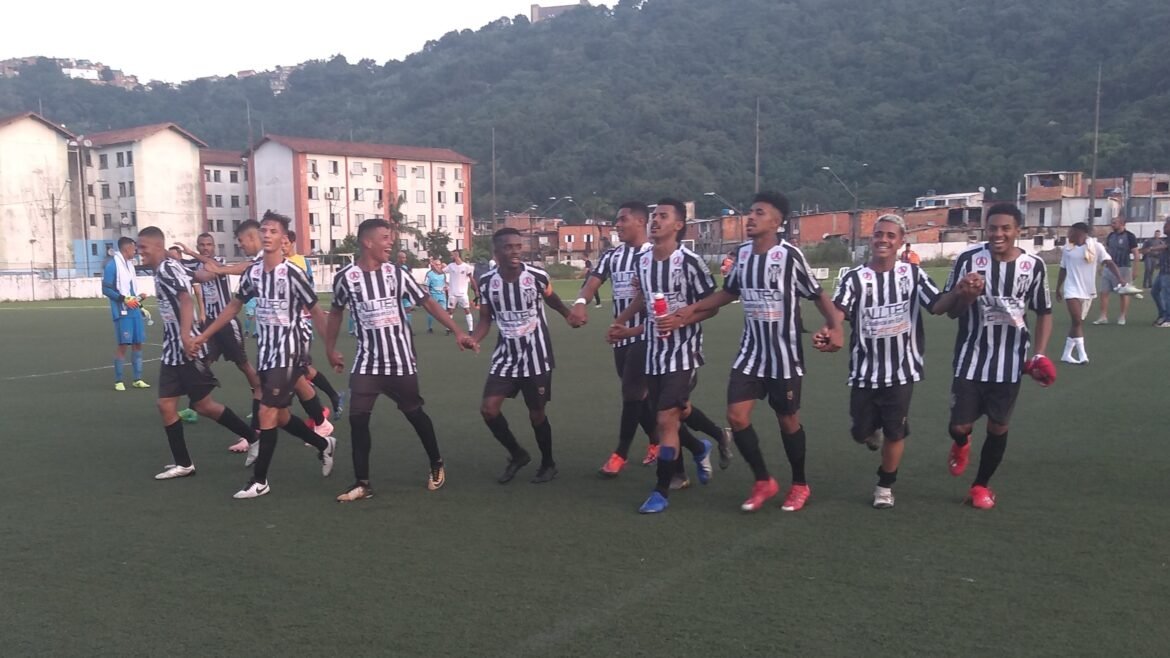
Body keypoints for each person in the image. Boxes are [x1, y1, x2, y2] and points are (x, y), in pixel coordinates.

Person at [674, 192, 844, 513]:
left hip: (784, 355)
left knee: (788, 421)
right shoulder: (742, 254)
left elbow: (818, 294)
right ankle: (763, 480)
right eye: (750, 211)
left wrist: (835, 327)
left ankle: (800, 484)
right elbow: (729, 292)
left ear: (777, 222)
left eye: (760, 212)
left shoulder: (789, 255)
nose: (751, 217)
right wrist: (691, 309)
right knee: (736, 416)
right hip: (751, 353)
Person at [832, 215, 980, 508]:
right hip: (864, 370)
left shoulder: (912, 274)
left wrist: (960, 292)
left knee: (895, 431)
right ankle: (869, 432)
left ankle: (885, 486)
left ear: (901, 242)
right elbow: (838, 311)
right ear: (871, 239)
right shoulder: (854, 278)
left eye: (890, 235)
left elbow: (937, 306)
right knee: (860, 432)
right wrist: (831, 329)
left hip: (902, 370)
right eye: (879, 234)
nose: (883, 239)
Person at [326, 219, 477, 501]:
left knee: (414, 413)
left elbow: (427, 302)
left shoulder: (396, 274)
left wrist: (457, 331)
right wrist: (330, 349)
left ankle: (436, 462)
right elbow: (335, 313)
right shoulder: (346, 277)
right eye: (385, 237)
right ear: (367, 242)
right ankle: (362, 483)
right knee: (357, 419)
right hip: (367, 362)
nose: (391, 242)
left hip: (400, 361)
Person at [190, 211, 338, 499]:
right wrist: (204, 336)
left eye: (273, 231)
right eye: (264, 230)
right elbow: (233, 307)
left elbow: (316, 311)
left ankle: (260, 480)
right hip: (267, 354)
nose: (267, 235)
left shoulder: (293, 274)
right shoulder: (254, 273)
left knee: (266, 413)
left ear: (283, 239)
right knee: (280, 417)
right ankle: (324, 445)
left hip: (290, 353)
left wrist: (330, 348)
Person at [609, 198, 722, 514]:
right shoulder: (643, 261)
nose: (655, 221)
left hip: (683, 353)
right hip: (653, 352)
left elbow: (711, 306)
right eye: (654, 215)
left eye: (663, 216)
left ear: (678, 225)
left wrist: (682, 319)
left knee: (664, 420)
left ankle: (661, 490)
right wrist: (622, 324)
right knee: (669, 417)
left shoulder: (690, 262)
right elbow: (645, 302)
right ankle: (702, 446)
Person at [943, 203, 1053, 510]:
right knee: (959, 427)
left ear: (1018, 230)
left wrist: (1039, 354)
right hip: (971, 357)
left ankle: (980, 486)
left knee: (998, 426)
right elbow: (951, 312)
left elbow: (1044, 312)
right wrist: (965, 295)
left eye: (1006, 228)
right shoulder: (968, 260)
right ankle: (962, 443)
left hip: (1011, 362)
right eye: (992, 228)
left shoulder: (1033, 265)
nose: (998, 234)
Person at [135, 226, 255, 481]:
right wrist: (212, 269)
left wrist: (185, 335)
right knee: (167, 405)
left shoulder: (167, 269)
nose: (139, 252)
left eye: (143, 247)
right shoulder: (171, 266)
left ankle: (254, 438)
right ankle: (184, 463)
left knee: (204, 405)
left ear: (158, 246)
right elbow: (199, 276)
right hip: (172, 351)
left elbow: (186, 298)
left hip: (185, 350)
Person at [467, 228, 575, 484]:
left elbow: (552, 298)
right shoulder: (487, 282)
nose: (515, 251)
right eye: (508, 247)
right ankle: (517, 454)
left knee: (536, 414)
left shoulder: (536, 276)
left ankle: (548, 463)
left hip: (536, 356)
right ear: (496, 252)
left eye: (518, 246)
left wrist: (568, 315)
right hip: (505, 356)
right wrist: (474, 338)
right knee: (488, 410)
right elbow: (485, 319)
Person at [570, 202, 662, 475]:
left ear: (641, 221)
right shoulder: (613, 256)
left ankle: (620, 454)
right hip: (620, 335)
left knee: (632, 392)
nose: (617, 225)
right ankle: (665, 441)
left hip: (646, 333)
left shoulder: (655, 254)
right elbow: (593, 281)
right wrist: (580, 303)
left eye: (623, 220)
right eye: (617, 220)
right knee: (639, 397)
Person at [181, 232, 263, 453]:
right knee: (202, 361)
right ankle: (195, 406)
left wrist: (191, 254)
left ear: (214, 247)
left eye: (209, 244)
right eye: (202, 245)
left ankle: (259, 397)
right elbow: (190, 273)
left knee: (243, 364)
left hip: (227, 324)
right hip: (210, 324)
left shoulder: (219, 263)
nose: (205, 248)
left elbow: (209, 272)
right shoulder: (198, 265)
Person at [285, 230, 344, 416]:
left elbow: (308, 290)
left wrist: (306, 308)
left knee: (296, 372)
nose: (282, 246)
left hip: (299, 324)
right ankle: (329, 401)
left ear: (292, 243)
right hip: (284, 325)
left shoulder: (301, 262)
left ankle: (318, 415)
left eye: (285, 242)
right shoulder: (276, 262)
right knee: (300, 371)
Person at [1057, 222, 1125, 364]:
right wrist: (1058, 288)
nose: (1069, 234)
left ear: (1081, 232)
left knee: (1077, 323)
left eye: (1071, 231)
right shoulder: (1067, 249)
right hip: (1071, 289)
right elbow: (1063, 268)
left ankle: (1066, 354)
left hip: (1087, 290)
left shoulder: (1096, 247)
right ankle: (1083, 355)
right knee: (1077, 320)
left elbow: (1109, 262)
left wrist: (1120, 278)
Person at [101, 237, 149, 391]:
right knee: (123, 345)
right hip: (122, 311)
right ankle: (119, 380)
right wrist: (124, 299)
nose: (136, 251)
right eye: (134, 248)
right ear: (127, 248)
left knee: (138, 343)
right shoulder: (112, 265)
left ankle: (137, 379)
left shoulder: (130, 265)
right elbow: (106, 289)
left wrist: (139, 301)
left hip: (134, 311)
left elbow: (131, 291)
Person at [1094, 217, 1139, 325]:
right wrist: (1101, 265)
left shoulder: (1130, 236)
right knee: (1104, 292)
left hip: (1124, 267)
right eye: (1112, 222)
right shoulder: (1111, 236)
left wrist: (1135, 269)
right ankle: (1103, 316)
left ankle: (1122, 316)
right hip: (1109, 267)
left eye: (1114, 223)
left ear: (1122, 223)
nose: (1112, 225)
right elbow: (1106, 252)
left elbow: (1136, 254)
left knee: (1124, 293)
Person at [445, 250, 476, 333]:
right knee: (450, 311)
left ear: (456, 255)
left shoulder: (466, 267)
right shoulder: (451, 266)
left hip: (462, 294)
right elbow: (441, 271)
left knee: (467, 310)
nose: (451, 256)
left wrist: (476, 290)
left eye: (452, 255)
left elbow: (471, 278)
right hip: (452, 293)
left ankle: (471, 329)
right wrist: (434, 265)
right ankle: (448, 328)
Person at [1146, 219, 1170, 326]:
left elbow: (1165, 247)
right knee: (1154, 292)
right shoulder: (1166, 239)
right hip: (1163, 270)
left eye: (1166, 226)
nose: (1164, 228)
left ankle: (1168, 319)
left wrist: (1151, 248)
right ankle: (1163, 314)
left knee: (1166, 295)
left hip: (1168, 272)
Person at [424, 259, 448, 334]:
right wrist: (429, 295)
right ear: (433, 266)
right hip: (433, 295)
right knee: (431, 312)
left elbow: (445, 283)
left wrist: (446, 287)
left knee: (444, 312)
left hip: (442, 295)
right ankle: (430, 327)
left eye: (439, 264)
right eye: (436, 264)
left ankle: (447, 328)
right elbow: (426, 285)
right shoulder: (429, 274)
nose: (438, 266)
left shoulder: (442, 273)